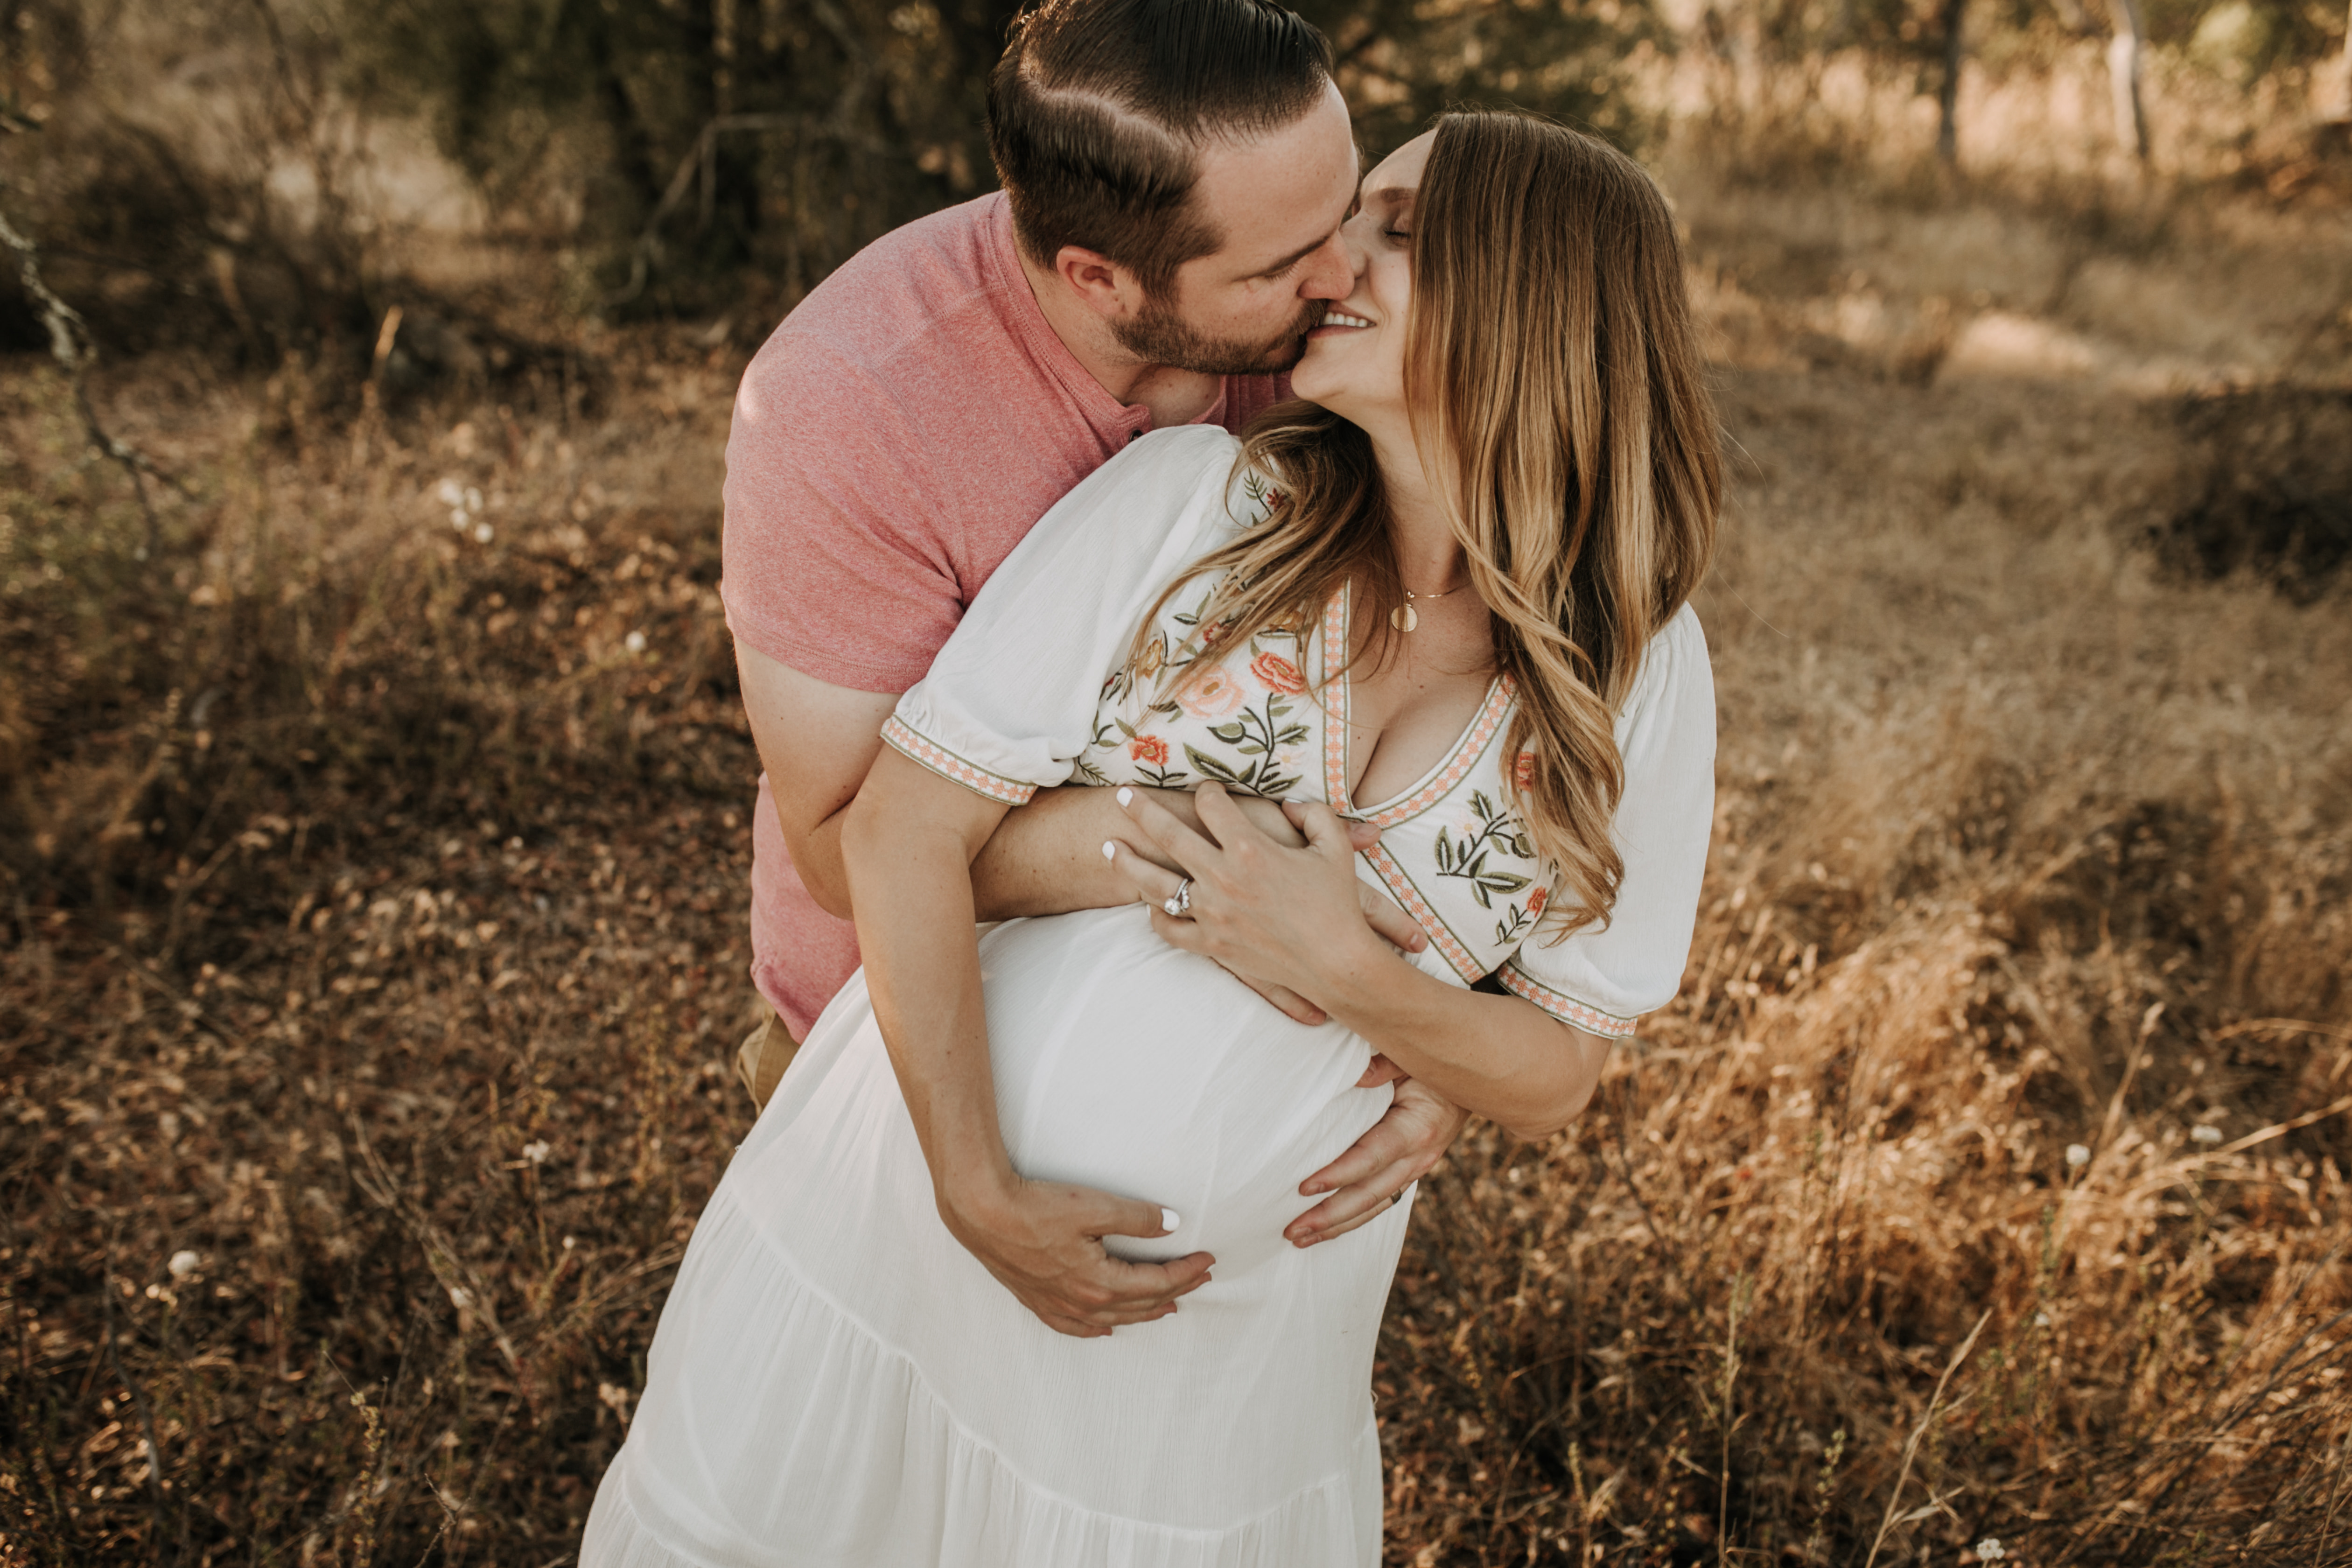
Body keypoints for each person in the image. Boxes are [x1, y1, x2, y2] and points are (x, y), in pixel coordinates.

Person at [584, 109, 1722, 1567]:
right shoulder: (1191, 505)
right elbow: (896, 832)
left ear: (1534, 298)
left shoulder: (1640, 668)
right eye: (1343, 222)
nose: (1334, 268)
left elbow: (1562, 1068)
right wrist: (976, 1184)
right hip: (908, 1227)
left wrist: (1364, 981)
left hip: (1217, 1362)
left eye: (1396, 231)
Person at [722, 0, 1465, 1336]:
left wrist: (1440, 1027)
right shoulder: (846, 407)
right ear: (1100, 279)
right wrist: (1181, 846)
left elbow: (1460, 658)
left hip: (1223, 1102)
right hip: (905, 1078)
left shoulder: (1339, 347)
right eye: (1283, 262)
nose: (1341, 276)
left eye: (1349, 213)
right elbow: (849, 849)